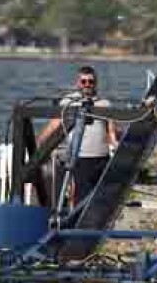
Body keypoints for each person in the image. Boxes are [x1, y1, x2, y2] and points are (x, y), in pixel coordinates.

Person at [39, 65, 118, 206]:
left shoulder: (105, 103)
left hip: (102, 157)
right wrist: (38, 145)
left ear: (96, 83)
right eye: (84, 81)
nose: (87, 85)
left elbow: (110, 132)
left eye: (90, 81)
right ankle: (77, 221)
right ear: (78, 83)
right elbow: (54, 125)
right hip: (81, 157)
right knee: (80, 194)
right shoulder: (68, 102)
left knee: (100, 195)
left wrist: (117, 146)